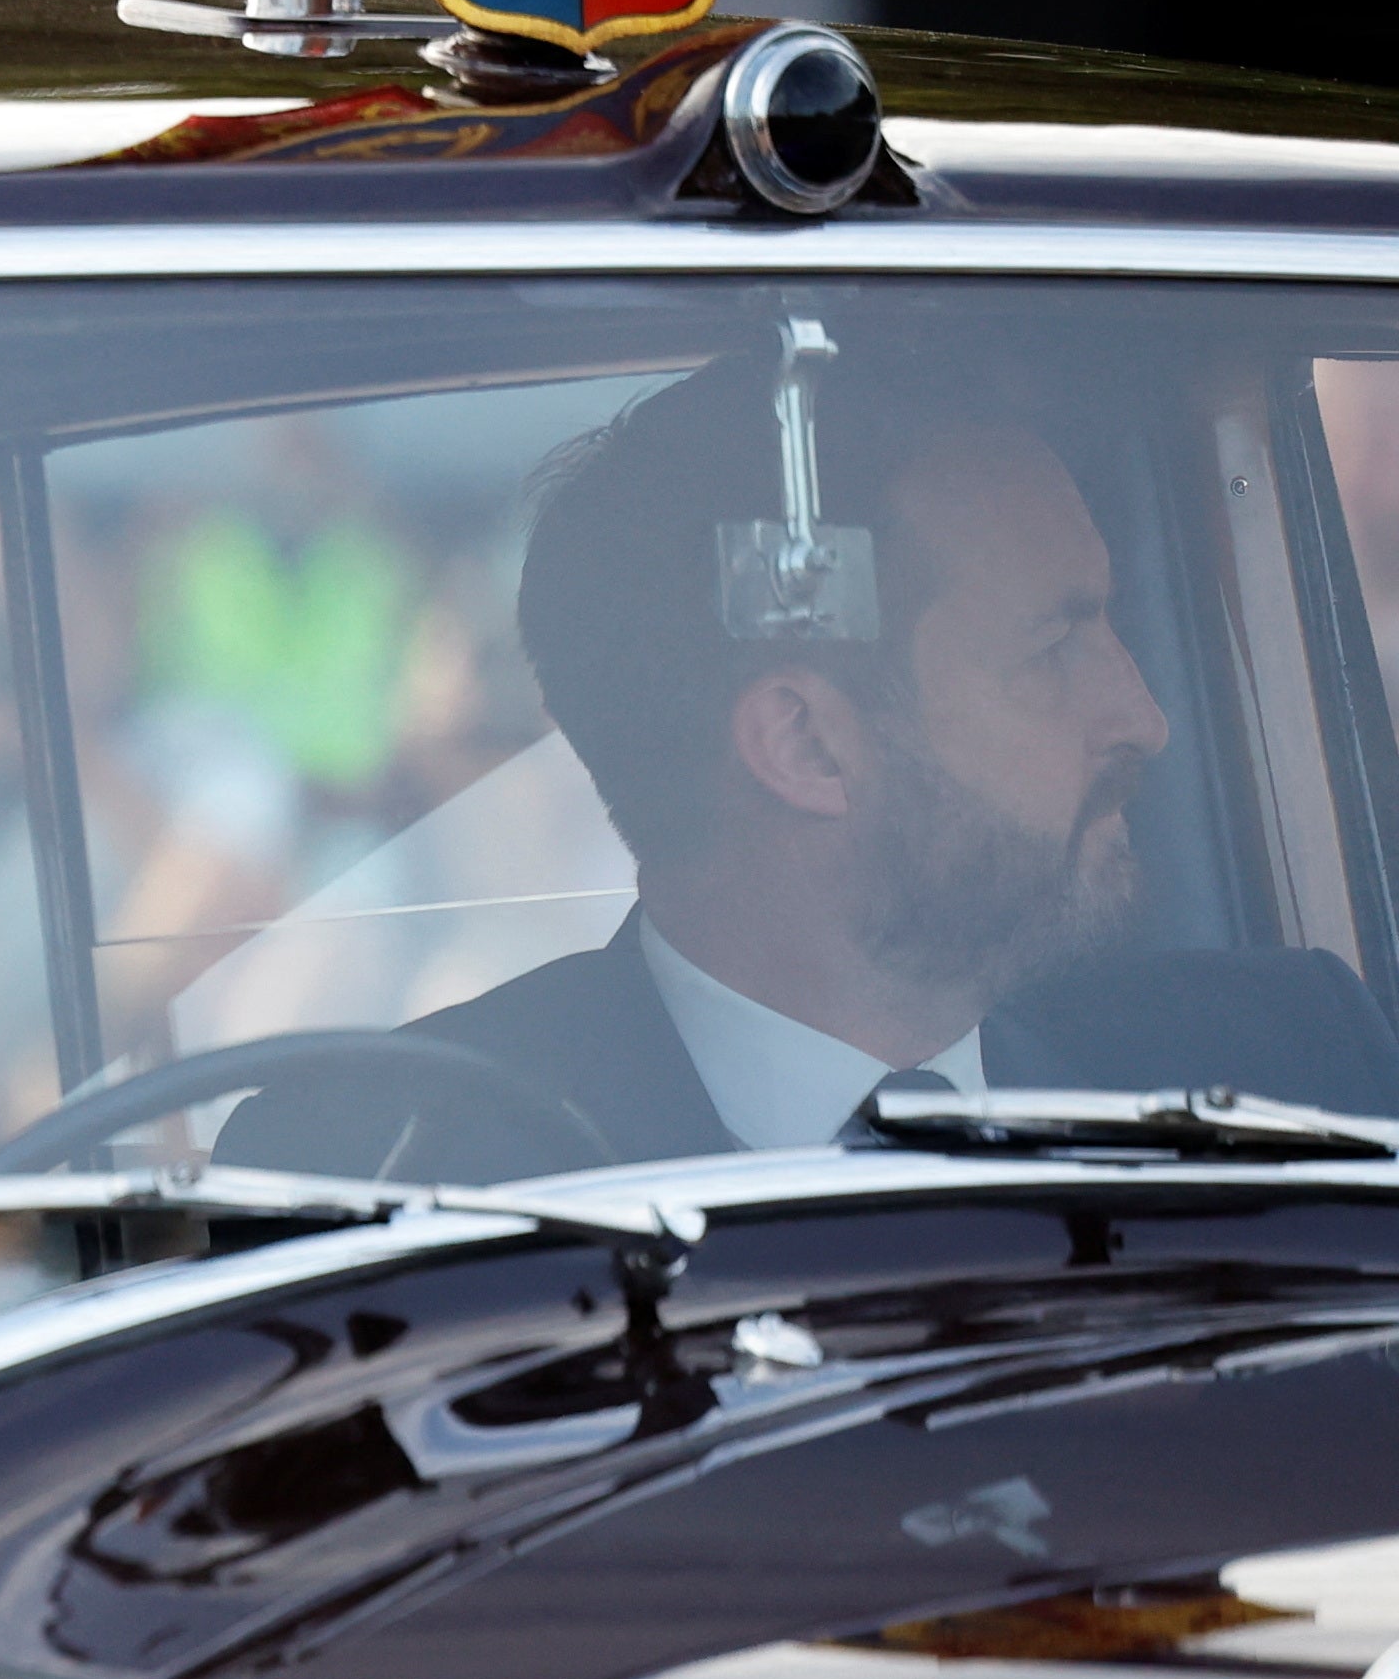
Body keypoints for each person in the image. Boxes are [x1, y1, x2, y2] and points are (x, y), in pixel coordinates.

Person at [239, 345, 1399, 1173]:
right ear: (805, 744)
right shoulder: (389, 1172)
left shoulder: (1294, 1074)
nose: (1143, 715)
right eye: (1053, 648)